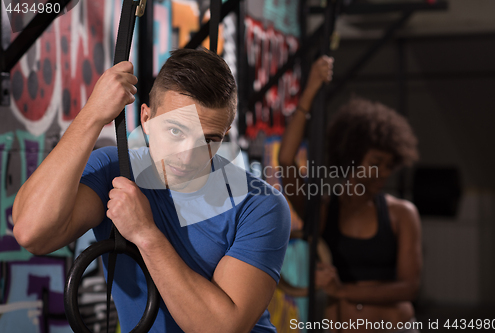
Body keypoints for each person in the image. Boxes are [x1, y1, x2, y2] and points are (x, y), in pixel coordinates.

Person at [12, 48, 291, 332]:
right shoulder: (115, 169)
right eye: (175, 132)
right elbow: (32, 234)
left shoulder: (260, 205)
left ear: (225, 133)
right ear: (146, 119)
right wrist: (93, 114)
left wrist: (145, 234)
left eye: (208, 139)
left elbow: (221, 328)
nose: (187, 156)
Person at [278, 56, 422, 333]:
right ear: (353, 157)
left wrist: (343, 291)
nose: (383, 172)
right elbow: (286, 159)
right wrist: (310, 91)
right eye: (376, 163)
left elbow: (410, 287)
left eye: (389, 166)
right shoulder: (323, 210)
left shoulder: (401, 213)